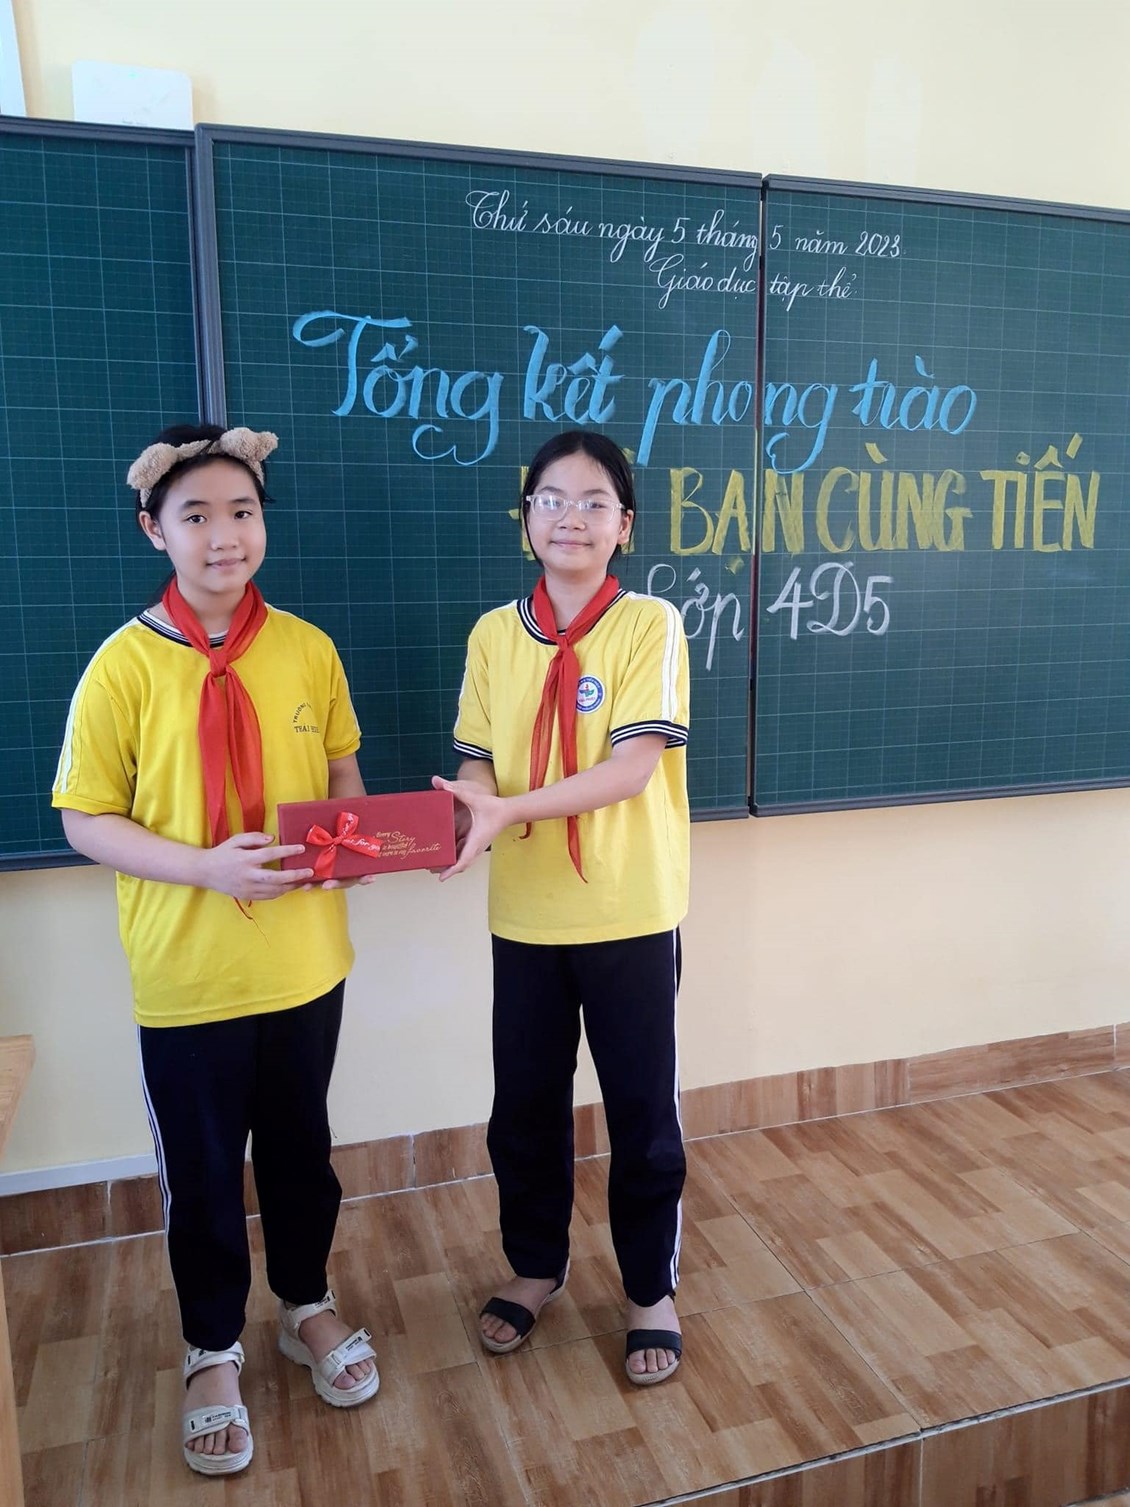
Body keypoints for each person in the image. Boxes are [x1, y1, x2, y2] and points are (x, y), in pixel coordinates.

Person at [52, 424, 379, 1477]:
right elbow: (85, 819)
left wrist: (353, 846)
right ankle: (209, 1349)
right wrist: (205, 867)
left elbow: (341, 775)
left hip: (304, 967)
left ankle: (306, 1302)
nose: (224, 534)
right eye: (195, 515)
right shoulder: (122, 665)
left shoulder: (309, 648)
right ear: (155, 530)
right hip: (188, 977)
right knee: (200, 1178)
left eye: (242, 510)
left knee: (300, 1156)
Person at [433, 429, 690, 1385]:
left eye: (593, 502)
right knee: (525, 1108)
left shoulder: (650, 624)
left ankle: (649, 1289)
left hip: (630, 909)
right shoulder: (493, 635)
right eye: (550, 498)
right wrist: (470, 809)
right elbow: (476, 761)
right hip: (526, 914)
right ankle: (536, 1264)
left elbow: (630, 769)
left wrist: (508, 810)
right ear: (526, 519)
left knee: (642, 1112)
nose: (569, 517)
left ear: (625, 525)